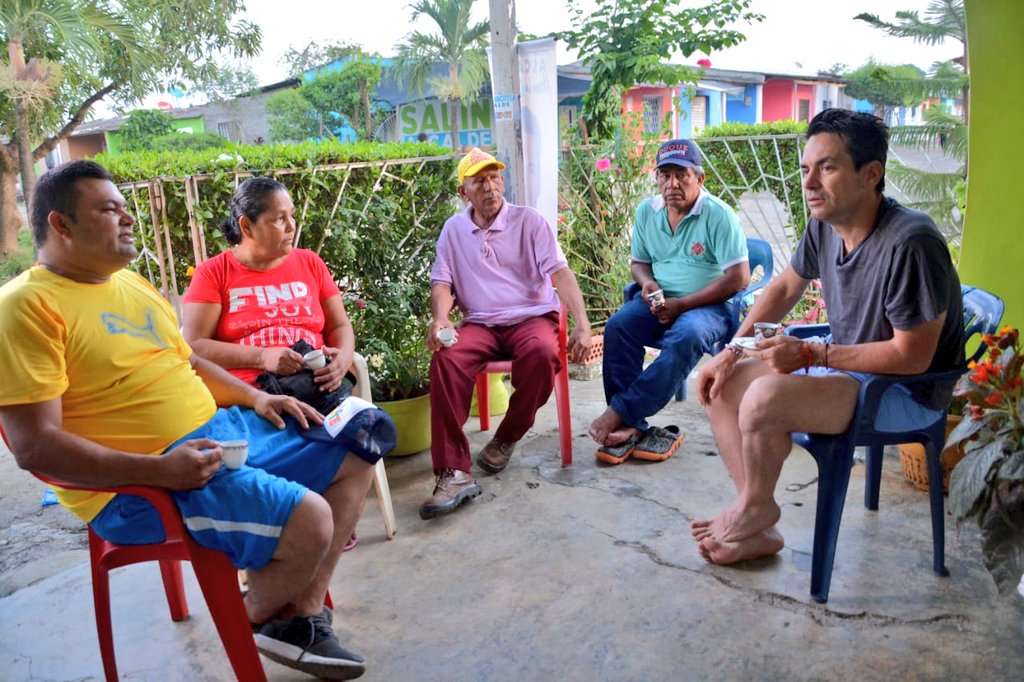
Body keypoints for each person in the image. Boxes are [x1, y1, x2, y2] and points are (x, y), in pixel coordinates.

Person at [0, 161, 375, 680]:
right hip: (138, 486)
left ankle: (301, 614)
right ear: (61, 225)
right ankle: (254, 621)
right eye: (109, 210)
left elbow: (190, 362)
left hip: (217, 437)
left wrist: (254, 399)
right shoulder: (25, 307)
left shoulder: (131, 285)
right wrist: (159, 472)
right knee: (311, 518)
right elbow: (35, 447)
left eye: (126, 208)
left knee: (358, 440)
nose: (127, 220)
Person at [691, 109, 964, 565]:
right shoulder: (826, 224)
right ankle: (758, 515)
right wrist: (731, 352)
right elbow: (782, 288)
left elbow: (912, 357)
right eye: (806, 169)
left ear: (870, 175)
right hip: (849, 371)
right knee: (721, 383)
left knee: (763, 399)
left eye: (828, 167)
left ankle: (754, 508)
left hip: (902, 391)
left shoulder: (911, 244)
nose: (809, 182)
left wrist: (813, 353)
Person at [420, 147, 593, 520]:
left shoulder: (529, 222)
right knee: (446, 359)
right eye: (479, 180)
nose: (490, 186)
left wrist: (581, 322)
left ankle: (507, 435)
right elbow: (442, 283)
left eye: (495, 177)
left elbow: (559, 274)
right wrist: (441, 320)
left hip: (531, 317)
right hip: (480, 322)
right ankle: (453, 472)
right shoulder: (454, 230)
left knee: (543, 353)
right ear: (462, 191)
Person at [589, 139, 750, 464]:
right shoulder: (647, 212)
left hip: (708, 305)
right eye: (665, 175)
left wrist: (684, 304)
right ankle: (633, 424)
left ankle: (620, 413)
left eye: (681, 174)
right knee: (619, 327)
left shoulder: (719, 216)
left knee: (687, 336)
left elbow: (739, 279)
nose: (672, 184)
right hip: (660, 300)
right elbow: (639, 262)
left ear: (699, 178)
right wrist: (647, 283)